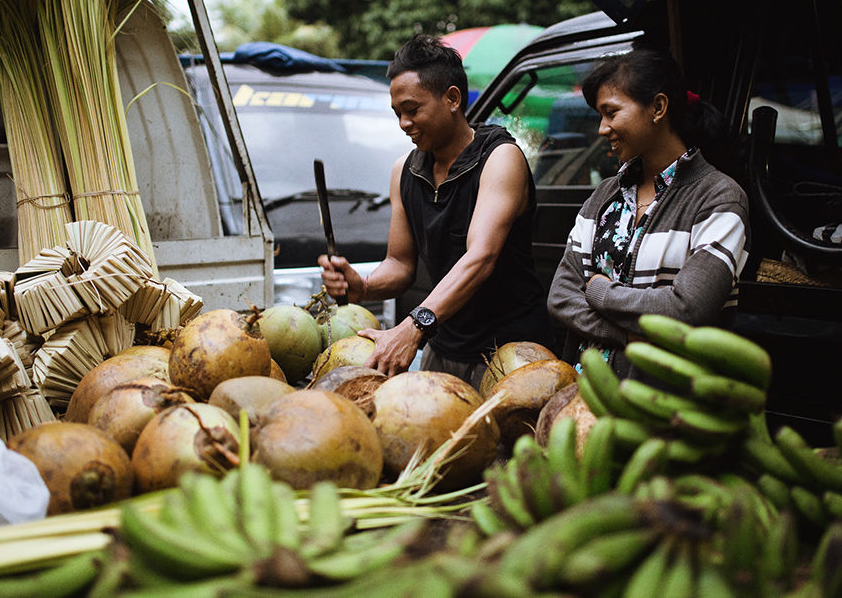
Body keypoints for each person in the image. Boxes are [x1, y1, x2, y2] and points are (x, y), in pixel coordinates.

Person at [319, 34, 554, 388]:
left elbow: (481, 257)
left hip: (512, 353)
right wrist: (361, 286)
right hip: (444, 346)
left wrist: (413, 326)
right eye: (398, 114)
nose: (403, 123)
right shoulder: (405, 171)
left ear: (452, 99)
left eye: (413, 110)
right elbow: (400, 266)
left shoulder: (500, 158)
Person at [547, 48, 750, 378]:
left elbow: (687, 309)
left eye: (611, 112)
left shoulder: (718, 199)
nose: (602, 128)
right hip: (585, 396)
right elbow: (560, 297)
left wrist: (597, 290)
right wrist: (626, 335)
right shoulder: (603, 197)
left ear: (658, 107)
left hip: (667, 407)